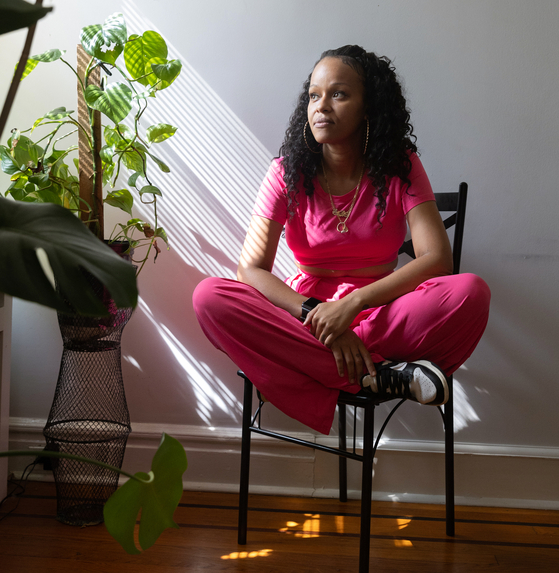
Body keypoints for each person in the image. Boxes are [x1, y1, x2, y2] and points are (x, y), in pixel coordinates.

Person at [193, 46, 490, 434]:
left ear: (369, 108)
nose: (322, 106)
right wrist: (316, 314)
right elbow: (250, 269)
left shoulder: (400, 167)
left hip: (381, 308)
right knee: (209, 297)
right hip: (307, 317)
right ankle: (380, 374)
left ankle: (338, 366)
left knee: (471, 291)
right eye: (314, 95)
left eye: (339, 94)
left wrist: (352, 305)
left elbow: (437, 259)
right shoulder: (286, 173)